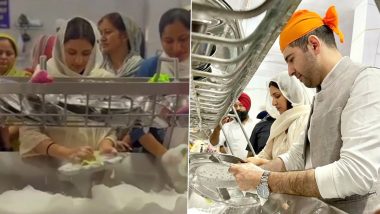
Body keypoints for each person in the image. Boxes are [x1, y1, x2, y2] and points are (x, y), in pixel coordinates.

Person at [229, 6, 380, 213]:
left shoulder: (365, 81)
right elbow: (296, 157)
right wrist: (254, 171)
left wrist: (266, 179)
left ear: (314, 44)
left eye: (291, 59)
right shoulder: (320, 94)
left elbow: (355, 174)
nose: (289, 71)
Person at [19, 17, 116, 162]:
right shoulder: (44, 77)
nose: (79, 61)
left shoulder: (103, 80)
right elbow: (29, 131)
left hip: (94, 166)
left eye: (86, 53)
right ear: (59, 48)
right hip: (50, 166)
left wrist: (106, 144)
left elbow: (111, 125)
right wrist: (66, 153)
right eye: (71, 52)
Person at [246, 71, 313, 162]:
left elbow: (295, 163)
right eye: (272, 98)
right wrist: (249, 161)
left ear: (292, 95)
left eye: (277, 96)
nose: (273, 103)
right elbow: (265, 154)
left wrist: (260, 162)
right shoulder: (280, 124)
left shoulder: (306, 121)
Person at [136, 8, 190, 79]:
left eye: (183, 39)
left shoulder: (204, 65)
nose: (176, 48)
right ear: (161, 39)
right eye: (169, 41)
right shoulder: (149, 69)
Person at [0, 33, 31, 151]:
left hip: (19, 144)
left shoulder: (25, 79)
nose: (3, 57)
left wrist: (7, 136)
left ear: (15, 56)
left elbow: (31, 115)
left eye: (8, 53)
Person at [210, 92, 256, 160]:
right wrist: (217, 129)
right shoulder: (227, 126)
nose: (237, 108)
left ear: (247, 107)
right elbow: (213, 143)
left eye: (241, 105)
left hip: (251, 167)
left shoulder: (256, 126)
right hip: (232, 165)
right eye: (235, 106)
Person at [98, 12, 144, 77]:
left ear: (124, 36)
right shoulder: (99, 68)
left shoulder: (141, 67)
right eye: (101, 33)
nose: (102, 38)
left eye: (108, 32)